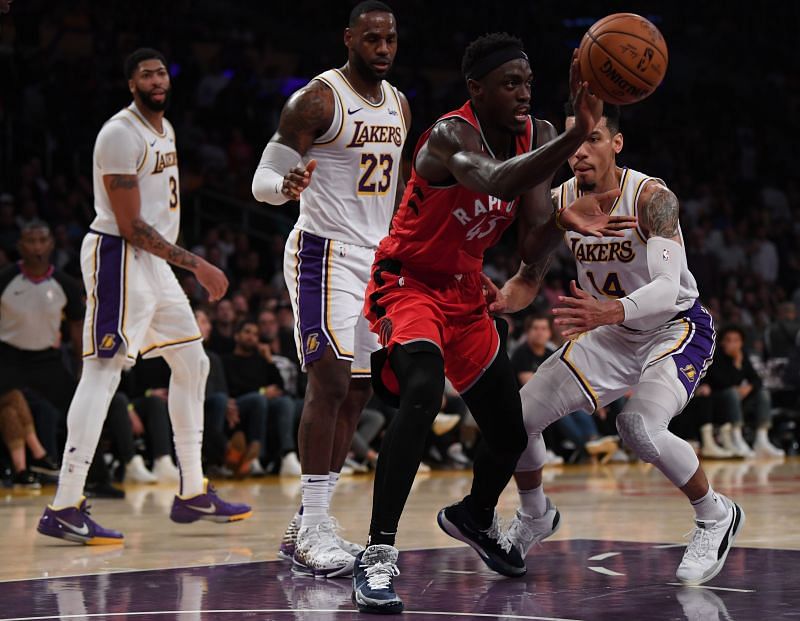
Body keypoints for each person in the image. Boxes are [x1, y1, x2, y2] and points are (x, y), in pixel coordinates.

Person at [352, 34, 633, 613]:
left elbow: (532, 237)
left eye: (528, 82)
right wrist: (580, 135)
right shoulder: (449, 135)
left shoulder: (539, 138)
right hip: (408, 283)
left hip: (464, 291)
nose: (524, 94)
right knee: (424, 389)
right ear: (476, 90)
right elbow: (498, 180)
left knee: (511, 431)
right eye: (510, 84)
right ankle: (378, 554)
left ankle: (476, 517)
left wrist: (560, 217)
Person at [490, 101, 744, 587]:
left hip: (674, 326)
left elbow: (669, 286)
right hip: (611, 331)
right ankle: (535, 514)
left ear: (617, 142)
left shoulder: (652, 197)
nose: (580, 152)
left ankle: (715, 514)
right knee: (516, 420)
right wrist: (503, 299)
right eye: (572, 142)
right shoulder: (562, 200)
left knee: (638, 426)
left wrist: (609, 310)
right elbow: (528, 277)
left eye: (593, 139)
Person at [38, 48, 251, 546]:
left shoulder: (165, 128)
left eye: (161, 72)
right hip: (120, 256)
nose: (156, 80)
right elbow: (132, 225)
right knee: (103, 370)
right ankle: (65, 503)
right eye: (146, 74)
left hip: (154, 266)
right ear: (130, 82)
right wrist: (197, 264)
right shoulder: (119, 133)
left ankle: (193, 490)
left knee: (193, 364)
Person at [252, 1, 410, 577]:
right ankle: (316, 524)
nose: (384, 48)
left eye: (391, 38)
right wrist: (283, 184)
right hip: (323, 253)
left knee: (360, 393)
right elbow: (263, 177)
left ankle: (307, 520)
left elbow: (388, 192)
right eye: (372, 38)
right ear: (349, 39)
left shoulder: (399, 104)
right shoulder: (317, 100)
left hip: (374, 259)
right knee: (330, 379)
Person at [706, 325, 784, 458]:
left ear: (741, 342)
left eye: (736, 340)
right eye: (729, 340)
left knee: (762, 393)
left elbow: (757, 380)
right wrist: (737, 365)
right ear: (722, 342)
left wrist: (749, 387)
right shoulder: (715, 356)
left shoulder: (743, 356)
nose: (733, 344)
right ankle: (736, 437)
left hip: (737, 398)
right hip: (719, 399)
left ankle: (762, 438)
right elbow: (721, 382)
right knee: (731, 392)